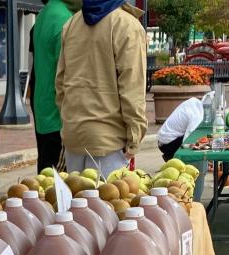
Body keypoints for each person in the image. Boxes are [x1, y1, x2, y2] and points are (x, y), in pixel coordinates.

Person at [55, 0, 147, 176]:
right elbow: (132, 89)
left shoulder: (72, 24)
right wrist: (135, 137)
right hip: (109, 141)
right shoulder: (127, 25)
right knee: (109, 203)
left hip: (74, 134)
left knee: (77, 202)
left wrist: (68, 123)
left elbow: (60, 84)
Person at [32, 0, 76, 173]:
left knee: (45, 174)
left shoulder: (44, 14)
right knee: (59, 183)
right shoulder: (65, 19)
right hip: (58, 114)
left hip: (43, 108)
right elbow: (68, 72)